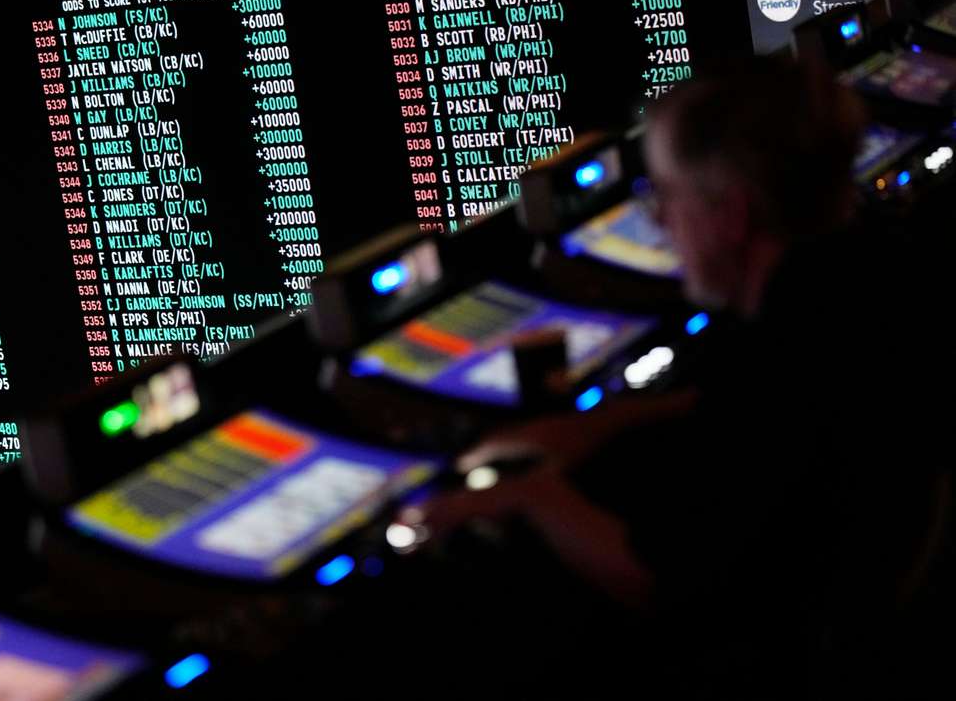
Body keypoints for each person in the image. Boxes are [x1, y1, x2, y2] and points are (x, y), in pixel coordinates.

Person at [405, 57, 951, 697]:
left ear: (732, 216)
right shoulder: (870, 269)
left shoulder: (782, 356)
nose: (660, 224)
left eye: (668, 198)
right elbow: (739, 404)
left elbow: (654, 578)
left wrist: (529, 494)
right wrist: (593, 428)